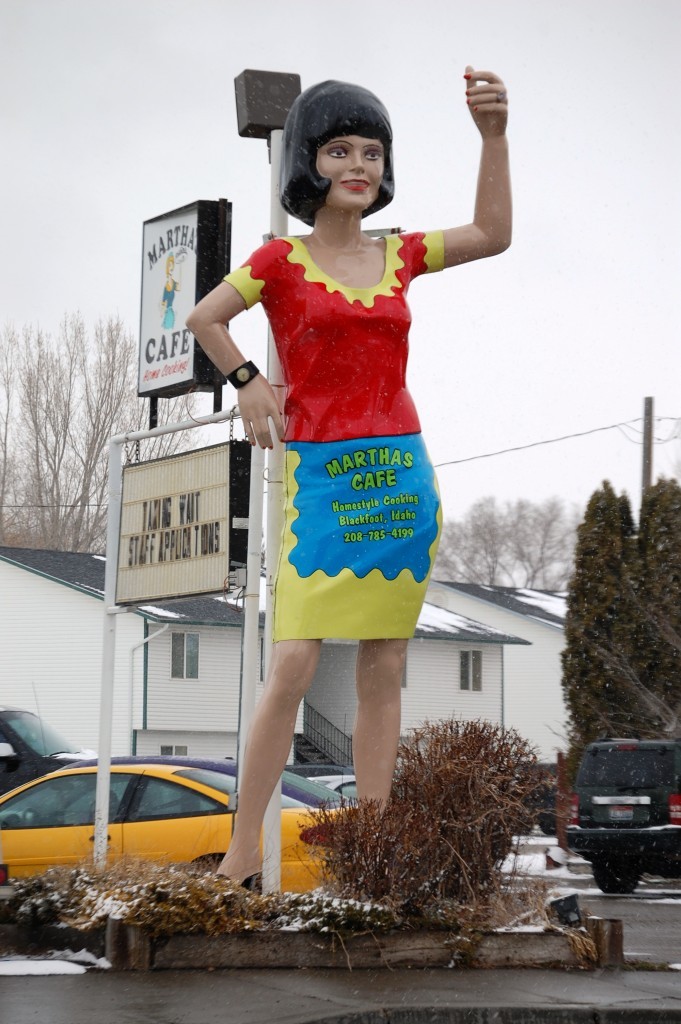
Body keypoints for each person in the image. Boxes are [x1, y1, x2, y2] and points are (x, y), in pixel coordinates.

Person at [186, 66, 511, 887]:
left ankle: (373, 845)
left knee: (383, 666)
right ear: (309, 161)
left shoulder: (401, 254)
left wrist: (493, 137)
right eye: (339, 150)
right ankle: (241, 847)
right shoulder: (279, 261)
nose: (358, 165)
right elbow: (204, 317)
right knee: (293, 662)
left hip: (400, 475)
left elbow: (492, 233)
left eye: (371, 151)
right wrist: (249, 382)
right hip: (320, 480)